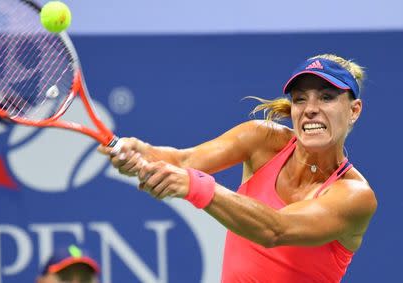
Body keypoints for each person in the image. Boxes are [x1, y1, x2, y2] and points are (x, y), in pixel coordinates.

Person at [98, 54, 377, 282]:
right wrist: (139, 152)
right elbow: (183, 161)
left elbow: (276, 229)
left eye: (326, 97)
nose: (310, 109)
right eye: (300, 99)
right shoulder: (262, 139)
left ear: (354, 110)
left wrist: (197, 186)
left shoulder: (354, 196)